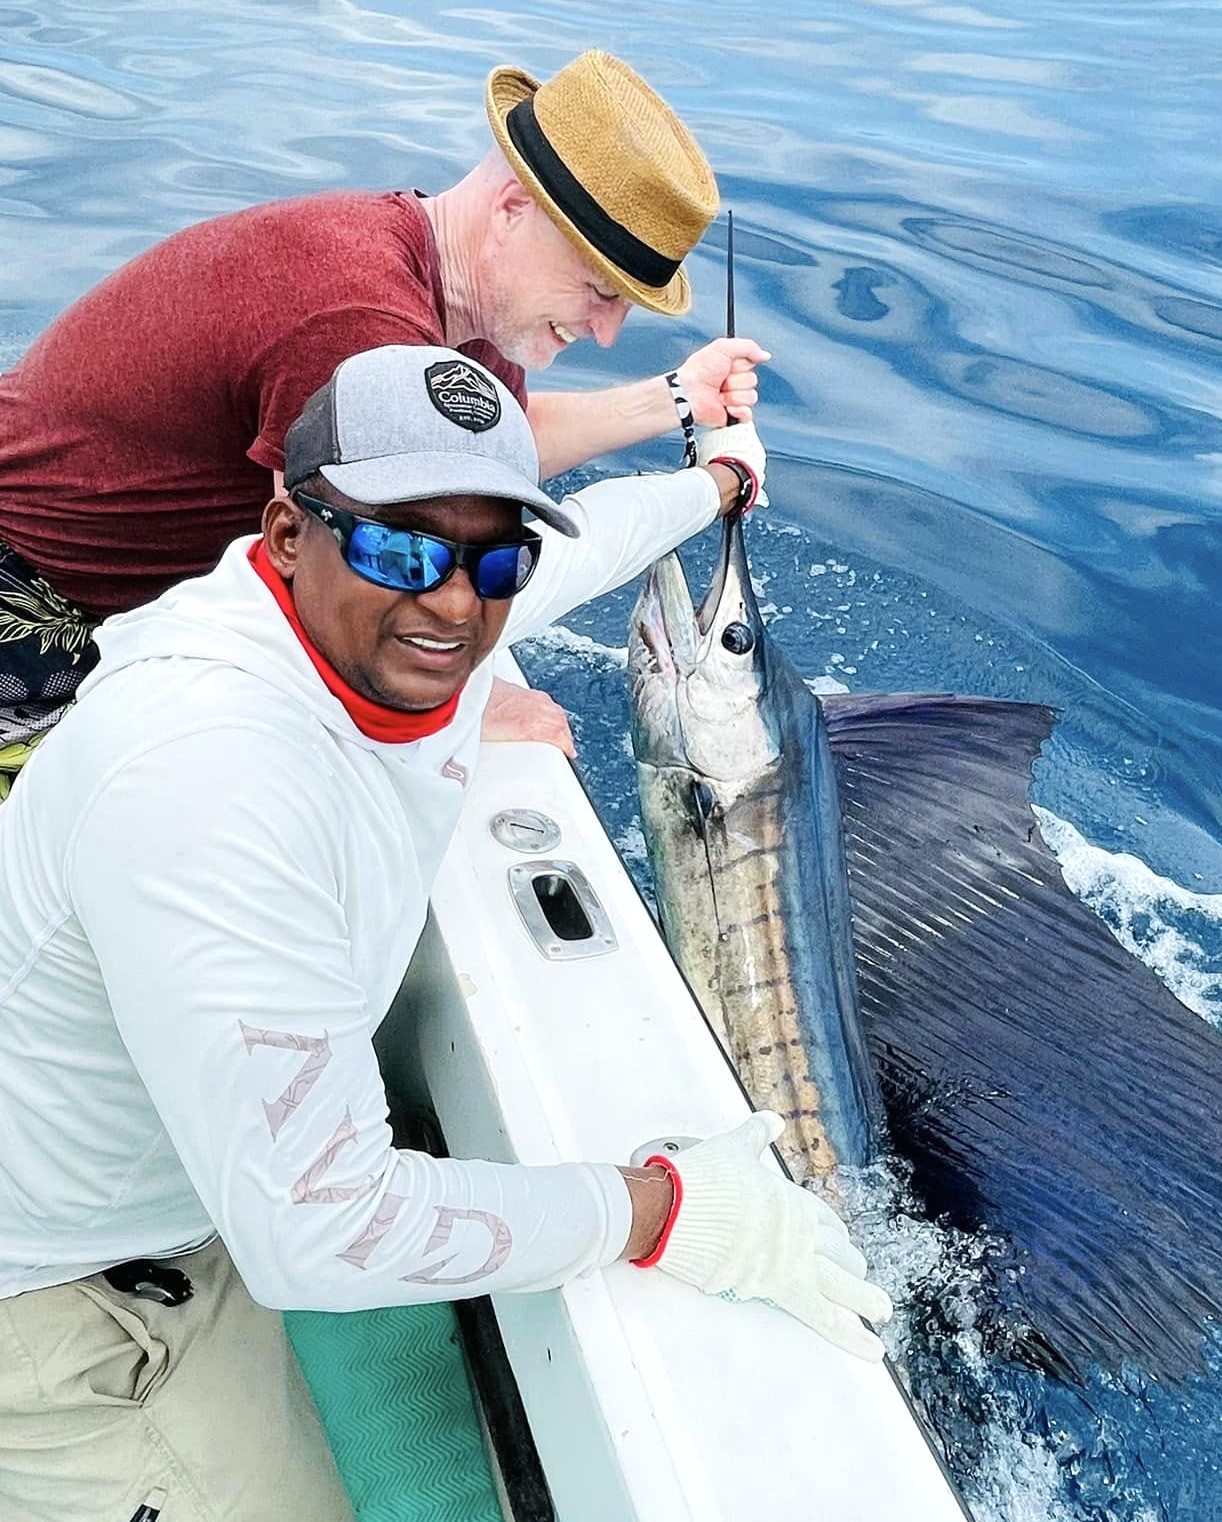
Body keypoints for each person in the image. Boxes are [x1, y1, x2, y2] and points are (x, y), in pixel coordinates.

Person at [0, 345, 891, 1522]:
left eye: (494, 556)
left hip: (166, 1197)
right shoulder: (209, 780)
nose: (455, 600)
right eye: (401, 545)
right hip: (60, 1299)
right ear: (284, 530)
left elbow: (592, 537)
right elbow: (323, 1233)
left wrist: (718, 483)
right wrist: (664, 1206)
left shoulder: (383, 621)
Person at [0, 48, 769, 794]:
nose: (605, 332)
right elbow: (322, 596)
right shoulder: (358, 316)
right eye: (600, 289)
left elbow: (492, 450)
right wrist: (461, 709)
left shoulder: (456, 307)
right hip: (35, 617)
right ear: (512, 211)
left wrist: (675, 396)